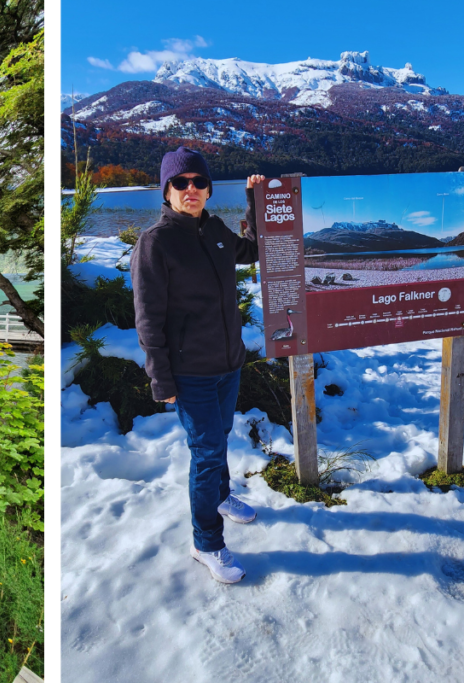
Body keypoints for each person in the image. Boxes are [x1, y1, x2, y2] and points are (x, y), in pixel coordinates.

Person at [130, 146, 265, 584]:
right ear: (166, 190)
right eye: (181, 183)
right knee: (206, 454)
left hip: (228, 363)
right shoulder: (155, 243)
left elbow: (254, 251)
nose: (192, 190)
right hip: (191, 374)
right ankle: (206, 543)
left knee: (219, 437)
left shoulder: (217, 231)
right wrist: (160, 378)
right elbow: (148, 318)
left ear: (208, 189)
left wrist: (255, 203)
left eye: (199, 182)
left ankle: (222, 496)